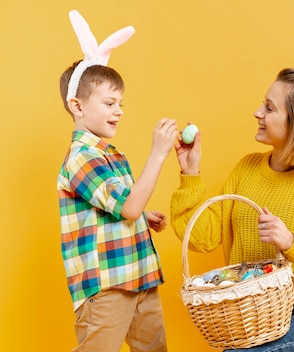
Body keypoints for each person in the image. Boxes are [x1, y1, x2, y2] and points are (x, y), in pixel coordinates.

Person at [170, 15, 294, 352]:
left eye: (269, 108)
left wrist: (291, 243)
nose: (257, 112)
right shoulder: (246, 169)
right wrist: (190, 173)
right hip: (257, 315)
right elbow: (202, 238)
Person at [57, 10, 177, 352]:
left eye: (120, 103)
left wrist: (141, 215)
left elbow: (123, 206)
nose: (119, 110)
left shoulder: (110, 154)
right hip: (106, 286)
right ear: (77, 105)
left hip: (139, 277)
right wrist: (157, 154)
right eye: (109, 103)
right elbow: (127, 206)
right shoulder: (82, 157)